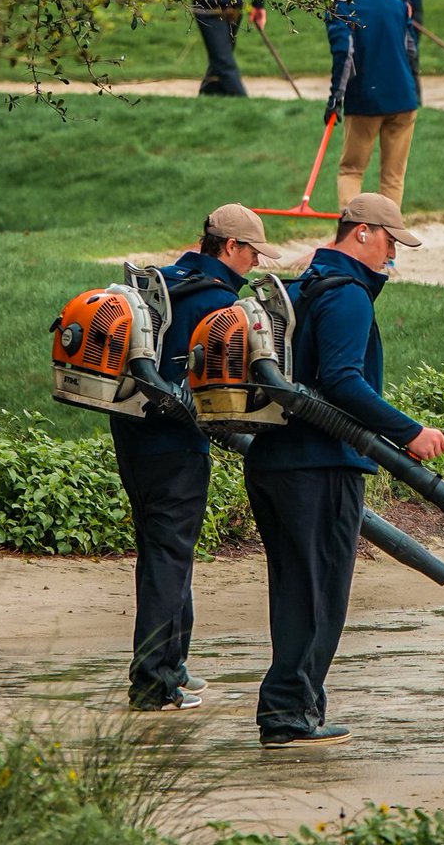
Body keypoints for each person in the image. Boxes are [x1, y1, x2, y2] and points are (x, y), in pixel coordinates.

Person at [243, 192, 444, 747]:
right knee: (319, 596)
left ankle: (299, 706)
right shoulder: (348, 294)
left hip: (273, 460)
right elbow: (341, 380)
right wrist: (410, 431)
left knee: (295, 592)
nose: (392, 257)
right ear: (360, 233)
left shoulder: (299, 288)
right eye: (389, 242)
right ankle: (288, 713)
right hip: (320, 466)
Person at [111, 203, 281, 710]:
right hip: (176, 444)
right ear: (230, 247)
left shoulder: (164, 279)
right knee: (169, 556)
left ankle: (174, 666)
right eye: (252, 252)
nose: (255, 264)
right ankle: (154, 683)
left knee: (161, 550)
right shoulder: (217, 301)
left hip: (132, 432)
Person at [321, 0, 419, 208]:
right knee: (393, 176)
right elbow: (411, 51)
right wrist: (410, 87)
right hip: (404, 101)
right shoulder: (395, 4)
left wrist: (336, 97)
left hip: (365, 101)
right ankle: (388, 239)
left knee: (351, 170)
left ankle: (351, 238)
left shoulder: (341, 9)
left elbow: (345, 53)